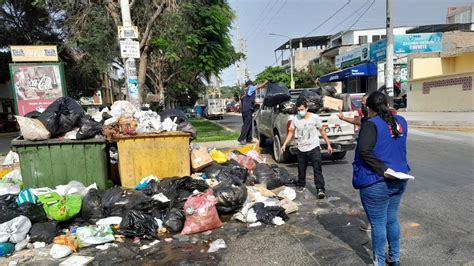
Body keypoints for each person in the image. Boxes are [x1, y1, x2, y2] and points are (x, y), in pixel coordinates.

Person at [352, 91, 410, 266]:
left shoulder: (371, 124)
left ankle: (379, 262)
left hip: (376, 181)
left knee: (378, 224)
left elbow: (364, 151)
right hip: (400, 179)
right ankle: (395, 258)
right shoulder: (401, 122)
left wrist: (383, 170)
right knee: (391, 219)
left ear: (368, 108)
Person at [281, 99, 333, 199]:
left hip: (314, 147)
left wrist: (328, 144)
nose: (301, 111)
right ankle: (301, 184)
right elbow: (291, 132)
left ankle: (320, 189)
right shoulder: (295, 119)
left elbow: (322, 131)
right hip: (301, 148)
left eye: (302, 109)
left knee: (317, 169)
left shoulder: (315, 118)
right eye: (299, 110)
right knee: (301, 169)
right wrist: (285, 144)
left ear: (306, 108)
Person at [238, 80, 268, 145]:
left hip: (244, 110)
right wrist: (265, 82)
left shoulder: (244, 91)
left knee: (249, 124)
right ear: (250, 84)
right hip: (248, 109)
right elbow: (259, 86)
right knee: (246, 125)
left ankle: (249, 139)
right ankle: (241, 139)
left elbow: (241, 102)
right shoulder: (250, 87)